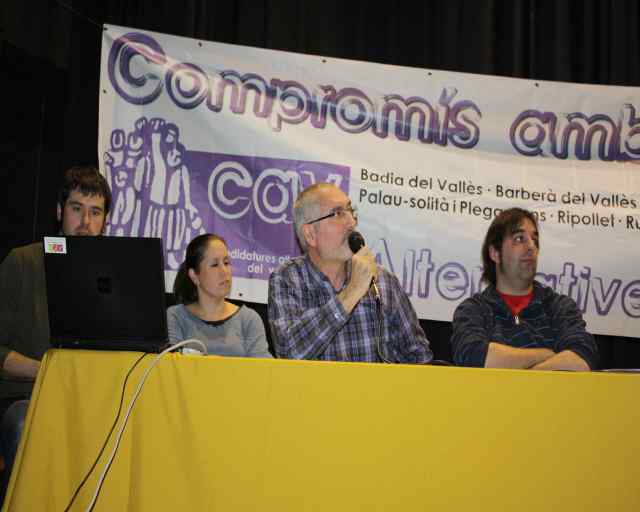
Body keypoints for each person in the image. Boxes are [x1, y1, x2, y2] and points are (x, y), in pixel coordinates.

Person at [0, 165, 111, 500]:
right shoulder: (23, 262)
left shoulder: (113, 276)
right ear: (60, 211)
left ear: (105, 221)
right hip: (27, 397)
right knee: (25, 423)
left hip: (91, 401)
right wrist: (46, 370)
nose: (86, 222)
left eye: (95, 212)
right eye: (77, 209)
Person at [268, 183, 432, 363]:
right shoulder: (288, 279)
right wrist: (352, 291)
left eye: (351, 211)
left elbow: (420, 357)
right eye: (338, 213)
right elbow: (289, 353)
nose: (352, 223)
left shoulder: (383, 281)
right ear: (310, 234)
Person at [451, 207, 598, 370]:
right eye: (519, 239)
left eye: (534, 240)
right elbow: (473, 357)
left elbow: (583, 358)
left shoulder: (559, 306)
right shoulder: (473, 309)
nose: (531, 247)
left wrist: (528, 376)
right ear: (495, 253)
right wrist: (547, 355)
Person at [167, 234, 272, 358]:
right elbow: (169, 365)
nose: (224, 271)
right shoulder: (176, 317)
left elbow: (264, 368)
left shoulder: (248, 319)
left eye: (226, 263)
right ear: (194, 275)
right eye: (214, 265)